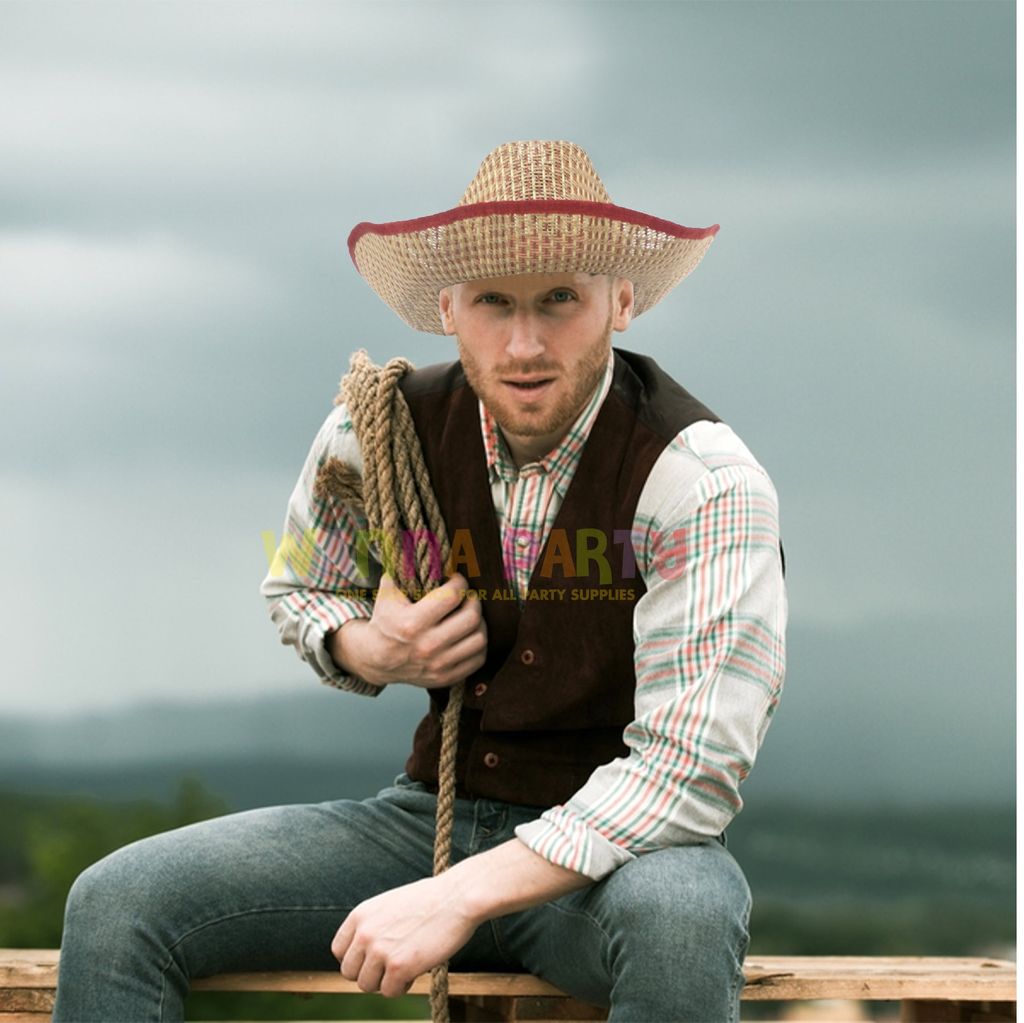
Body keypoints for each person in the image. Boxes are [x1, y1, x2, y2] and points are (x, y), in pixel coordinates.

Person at [53, 140, 787, 1023]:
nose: (525, 342)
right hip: (427, 819)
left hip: (619, 861)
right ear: (448, 307)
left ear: (620, 300)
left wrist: (458, 894)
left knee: (683, 919)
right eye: (493, 303)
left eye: (561, 298)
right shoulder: (380, 428)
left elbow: (688, 770)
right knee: (118, 903)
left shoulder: (702, 481)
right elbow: (301, 588)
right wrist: (374, 644)